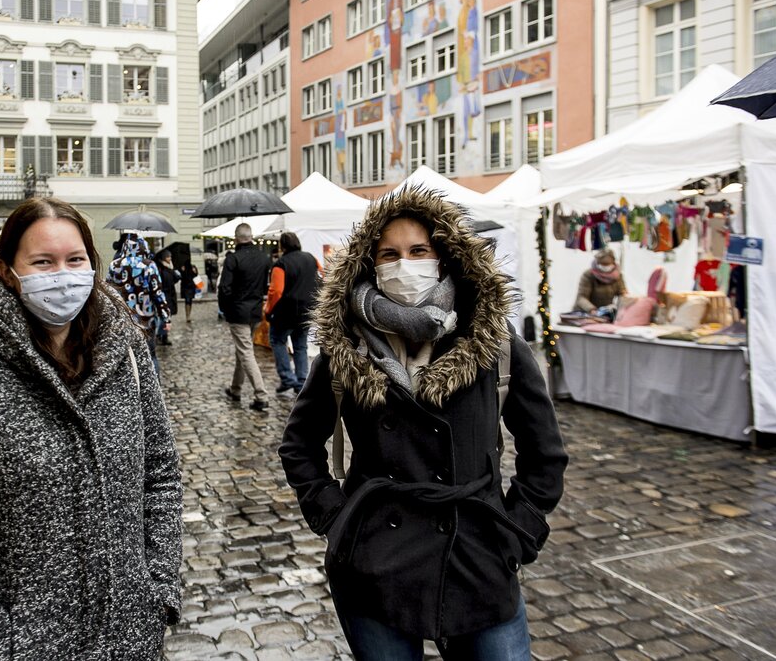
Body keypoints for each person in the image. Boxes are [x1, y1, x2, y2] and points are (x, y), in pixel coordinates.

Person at [278, 187, 568, 661]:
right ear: (371, 264)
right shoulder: (346, 346)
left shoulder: (492, 339)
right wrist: (336, 519)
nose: (404, 264)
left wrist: (519, 530)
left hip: (479, 557)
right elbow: (299, 444)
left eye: (418, 251)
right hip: (375, 561)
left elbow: (545, 450)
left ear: (444, 256)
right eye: (389, 254)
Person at [0, 198, 182, 660]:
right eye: (43, 262)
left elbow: (161, 477)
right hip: (21, 644)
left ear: (93, 264)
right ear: (9, 271)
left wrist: (160, 589)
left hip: (128, 639)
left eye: (75, 260)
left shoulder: (127, 352)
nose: (63, 275)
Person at [219, 222, 271, 411]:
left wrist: (224, 308)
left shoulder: (233, 259)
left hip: (238, 312)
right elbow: (266, 285)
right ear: (251, 236)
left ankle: (261, 395)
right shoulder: (264, 257)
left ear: (236, 238)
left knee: (246, 353)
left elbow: (224, 288)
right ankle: (235, 389)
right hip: (255, 311)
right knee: (242, 351)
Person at [265, 232, 321, 397]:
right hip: (307, 311)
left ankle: (288, 378)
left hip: (285, 313)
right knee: (300, 346)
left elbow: (276, 291)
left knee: (277, 341)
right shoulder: (311, 258)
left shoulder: (280, 264)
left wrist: (268, 310)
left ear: (282, 246)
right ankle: (302, 381)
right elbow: (321, 278)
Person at [107, 233, 172, 374]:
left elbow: (108, 292)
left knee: (127, 358)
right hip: (146, 320)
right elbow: (157, 293)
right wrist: (166, 317)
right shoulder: (149, 266)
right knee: (150, 356)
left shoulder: (114, 265)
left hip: (123, 319)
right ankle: (153, 389)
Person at [573, 248, 627, 314]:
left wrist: (626, 299)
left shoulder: (617, 276)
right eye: (603, 265)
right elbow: (581, 298)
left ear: (613, 264)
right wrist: (592, 309)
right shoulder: (588, 275)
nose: (606, 267)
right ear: (598, 264)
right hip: (584, 312)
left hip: (606, 312)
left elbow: (622, 293)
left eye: (608, 265)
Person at [154, 249, 179, 345]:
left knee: (168, 317)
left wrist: (173, 270)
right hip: (164, 296)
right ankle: (161, 335)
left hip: (170, 295)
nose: (170, 258)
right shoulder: (160, 268)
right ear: (164, 258)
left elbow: (175, 279)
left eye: (170, 257)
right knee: (164, 317)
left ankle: (164, 336)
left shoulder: (169, 267)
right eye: (168, 256)